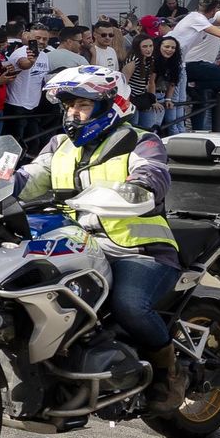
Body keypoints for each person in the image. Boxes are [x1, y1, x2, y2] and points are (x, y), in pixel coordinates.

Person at [14, 67, 187, 413]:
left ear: (111, 105)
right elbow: (31, 177)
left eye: (82, 105)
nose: (72, 113)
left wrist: (140, 186)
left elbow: (153, 173)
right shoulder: (59, 146)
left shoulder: (141, 140)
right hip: (75, 246)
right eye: (69, 106)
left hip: (136, 250)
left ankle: (169, 372)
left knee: (129, 305)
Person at [168, 0, 220, 131]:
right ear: (213, 9)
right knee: (177, 101)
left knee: (194, 99)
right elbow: (219, 33)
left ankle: (194, 129)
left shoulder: (198, 18)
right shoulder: (197, 19)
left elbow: (216, 21)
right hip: (187, 63)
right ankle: (175, 130)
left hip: (182, 63)